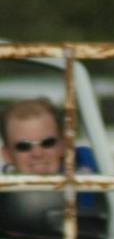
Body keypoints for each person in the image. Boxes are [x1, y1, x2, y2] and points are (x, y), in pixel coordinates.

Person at [0, 97, 104, 231]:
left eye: (47, 143)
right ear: (7, 155)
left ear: (63, 146)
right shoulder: (3, 196)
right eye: (23, 146)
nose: (37, 153)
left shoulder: (101, 181)